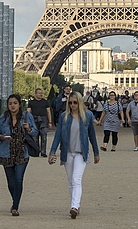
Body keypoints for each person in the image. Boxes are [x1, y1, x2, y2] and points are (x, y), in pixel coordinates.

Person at [48, 91, 99, 219]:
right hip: (67, 152)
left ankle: (74, 206)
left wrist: (96, 153)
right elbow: (58, 135)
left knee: (76, 179)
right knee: (71, 181)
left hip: (81, 153)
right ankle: (75, 204)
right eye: (70, 103)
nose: (72, 105)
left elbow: (92, 135)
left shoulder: (87, 116)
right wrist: (52, 152)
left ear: (80, 102)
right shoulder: (64, 117)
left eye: (75, 102)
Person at [0, 94, 38, 216]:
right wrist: (1, 137)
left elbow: (35, 132)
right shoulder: (3, 118)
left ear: (19, 104)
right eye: (10, 103)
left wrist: (29, 129)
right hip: (6, 152)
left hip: (22, 152)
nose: (12, 105)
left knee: (18, 179)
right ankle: (15, 200)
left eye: (15, 103)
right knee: (11, 182)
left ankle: (15, 206)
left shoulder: (26, 117)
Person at [27, 87, 53, 157]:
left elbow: (48, 112)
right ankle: (36, 151)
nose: (41, 94)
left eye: (41, 93)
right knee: (35, 137)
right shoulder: (31, 102)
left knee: (44, 136)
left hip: (43, 120)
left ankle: (43, 152)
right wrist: (27, 121)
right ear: (35, 94)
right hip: (34, 120)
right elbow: (28, 112)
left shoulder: (45, 102)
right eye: (39, 93)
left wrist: (50, 122)